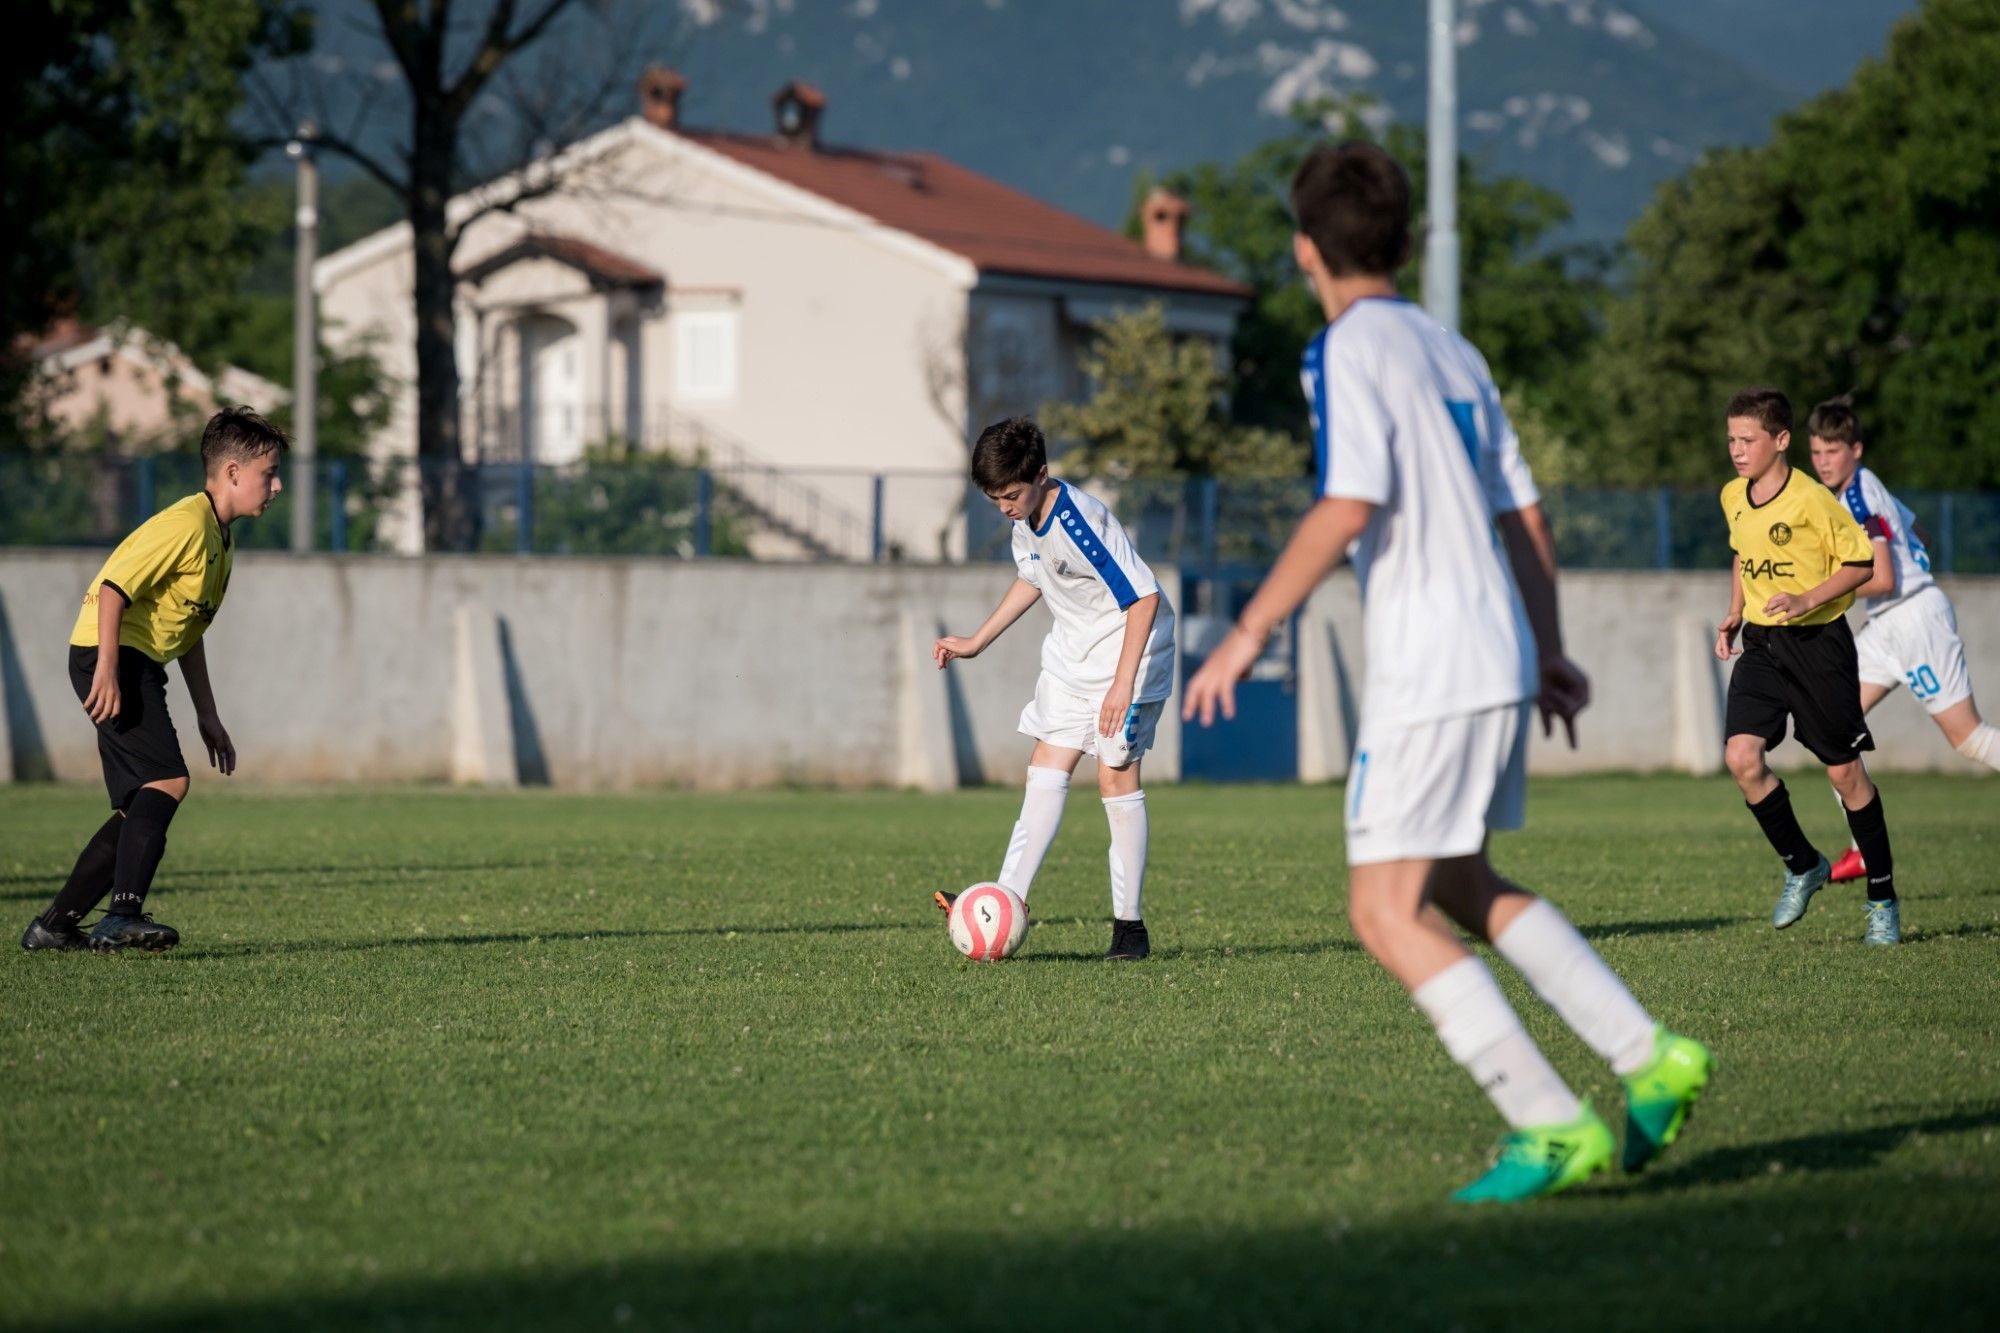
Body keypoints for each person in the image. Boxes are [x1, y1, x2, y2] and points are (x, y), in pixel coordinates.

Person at [1181, 141, 1709, 1203]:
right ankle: (1647, 1055)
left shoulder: (1345, 349)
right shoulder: (1451, 348)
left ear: (1302, 252)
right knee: (1460, 882)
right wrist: (1546, 646)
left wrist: (1246, 632)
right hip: (1496, 649)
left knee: (1381, 911)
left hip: (1428, 663)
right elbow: (1524, 512)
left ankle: (1547, 1122)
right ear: (1409, 241)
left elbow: (1347, 502)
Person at [21, 407, 288, 954]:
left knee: (139, 806)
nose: (277, 485)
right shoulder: (186, 523)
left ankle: (55, 925)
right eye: (270, 473)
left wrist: (207, 714)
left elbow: (188, 631)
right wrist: (109, 668)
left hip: (135, 660)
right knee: (167, 781)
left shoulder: (221, 540)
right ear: (233, 472)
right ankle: (121, 917)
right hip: (113, 653)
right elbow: (114, 588)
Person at [932, 416, 1176, 961]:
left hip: (1132, 654)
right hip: (1074, 656)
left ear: (1042, 475)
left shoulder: (1081, 521)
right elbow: (1033, 578)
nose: (1004, 507)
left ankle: (1129, 930)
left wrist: (1121, 687)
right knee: (1045, 766)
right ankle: (1003, 902)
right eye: (995, 498)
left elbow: (1143, 599)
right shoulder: (1025, 518)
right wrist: (976, 641)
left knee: (1114, 779)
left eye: (1011, 495)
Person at [1715, 387, 1902, 945]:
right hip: (1763, 645)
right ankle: (1803, 863)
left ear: (1781, 440)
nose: (1737, 450)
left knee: (1844, 774)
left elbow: (1862, 563)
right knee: (1740, 757)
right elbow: (1742, 552)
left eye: (1748, 440)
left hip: (1819, 645)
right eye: (1731, 440)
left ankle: (1883, 898)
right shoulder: (1733, 495)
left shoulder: (1813, 500)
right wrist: (1734, 611)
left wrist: (1806, 599)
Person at [1804, 392, 1998, 885]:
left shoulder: (1859, 496)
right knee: (1833, 730)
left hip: (1911, 620)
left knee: (1968, 738)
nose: (1824, 462)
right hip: (1887, 625)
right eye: (1817, 452)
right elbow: (1919, 535)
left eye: (1833, 451)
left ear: (1857, 450)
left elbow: (1886, 578)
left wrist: (1819, 592)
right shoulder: (1866, 488)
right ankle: (1864, 850)